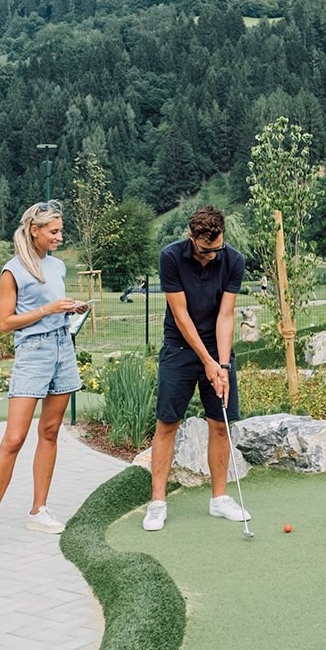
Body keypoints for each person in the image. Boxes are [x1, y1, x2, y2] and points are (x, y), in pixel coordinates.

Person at [0, 200, 87, 555]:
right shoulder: (12, 270)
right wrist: (49, 309)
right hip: (33, 353)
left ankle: (39, 510)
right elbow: (5, 323)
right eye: (54, 231)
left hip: (63, 349)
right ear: (34, 230)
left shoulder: (58, 266)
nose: (59, 236)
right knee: (14, 438)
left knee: (50, 432)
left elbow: (53, 306)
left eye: (60, 230)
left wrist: (70, 308)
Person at [144, 205, 249, 531]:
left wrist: (221, 364)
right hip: (179, 347)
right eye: (205, 250)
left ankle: (219, 500)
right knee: (168, 423)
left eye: (216, 249)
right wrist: (206, 361)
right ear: (192, 238)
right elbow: (181, 315)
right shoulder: (171, 257)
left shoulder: (233, 260)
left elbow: (226, 315)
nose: (211, 256)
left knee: (220, 423)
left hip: (217, 350)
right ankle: (157, 503)